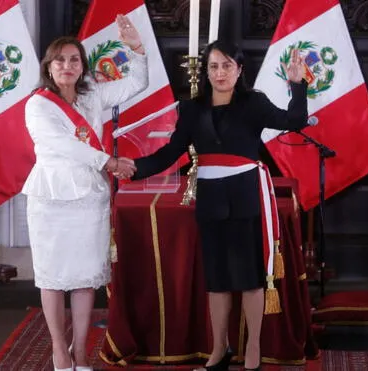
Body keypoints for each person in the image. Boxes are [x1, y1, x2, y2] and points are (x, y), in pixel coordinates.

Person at [132, 40, 308, 371]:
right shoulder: (191, 109)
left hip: (245, 196)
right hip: (211, 200)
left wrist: (297, 85)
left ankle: (253, 348)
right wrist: (133, 168)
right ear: (206, 72)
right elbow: (170, 154)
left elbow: (295, 120)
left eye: (227, 65)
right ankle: (219, 349)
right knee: (217, 280)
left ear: (239, 69)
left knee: (250, 278)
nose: (220, 72)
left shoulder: (253, 103)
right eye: (213, 66)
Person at [21, 15, 146, 371]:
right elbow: (62, 145)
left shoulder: (92, 96)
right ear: (49, 65)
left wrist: (135, 46)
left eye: (74, 59)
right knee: (53, 277)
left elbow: (138, 81)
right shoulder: (38, 105)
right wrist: (110, 161)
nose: (67, 65)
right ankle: (59, 351)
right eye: (60, 59)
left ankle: (79, 351)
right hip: (52, 199)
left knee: (85, 276)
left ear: (82, 65)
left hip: (88, 198)